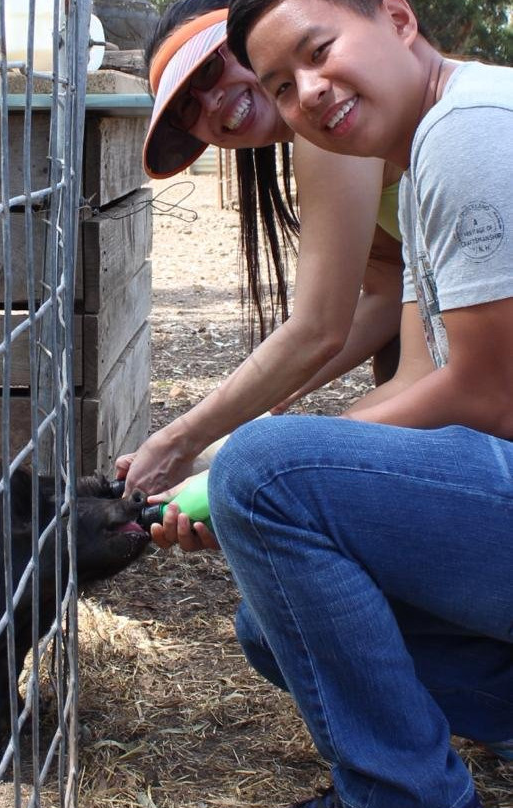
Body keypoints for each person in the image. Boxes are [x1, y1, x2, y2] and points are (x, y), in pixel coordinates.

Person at [192, 0, 511, 806]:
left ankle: (402, 796)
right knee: (274, 626)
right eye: (283, 86)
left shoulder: (470, 131)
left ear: (397, 19)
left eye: (319, 49)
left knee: (263, 471)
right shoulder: (424, 157)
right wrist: (247, 494)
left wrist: (242, 474)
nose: (310, 91)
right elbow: (420, 380)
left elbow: (487, 391)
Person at [119, 0, 435, 520]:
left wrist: (190, 445)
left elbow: (319, 328)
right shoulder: (332, 132)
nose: (212, 102)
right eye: (186, 110)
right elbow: (386, 294)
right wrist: (264, 406)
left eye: (212, 67)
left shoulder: (333, 131)